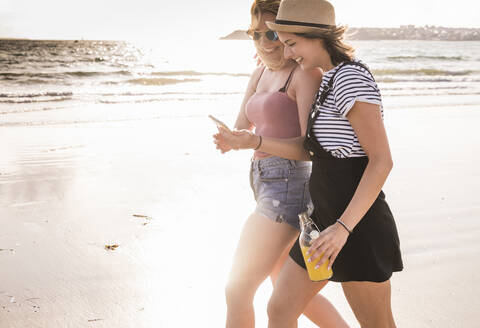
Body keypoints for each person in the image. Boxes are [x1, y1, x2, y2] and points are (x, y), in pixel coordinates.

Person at [214, 0, 404, 327]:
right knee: (280, 309)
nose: (287, 53)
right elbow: (310, 148)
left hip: (355, 226)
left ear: (316, 36)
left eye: (291, 43)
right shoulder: (327, 79)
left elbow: (382, 161)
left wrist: (343, 228)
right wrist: (252, 139)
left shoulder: (350, 79)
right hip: (320, 223)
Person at [217, 1, 349, 327]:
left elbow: (310, 148)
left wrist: (257, 142)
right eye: (256, 34)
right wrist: (230, 139)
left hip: (290, 186)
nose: (265, 42)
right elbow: (242, 126)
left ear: (289, 33)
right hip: (261, 181)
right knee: (286, 294)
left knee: (237, 288)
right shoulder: (259, 72)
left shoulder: (304, 75)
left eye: (274, 33)